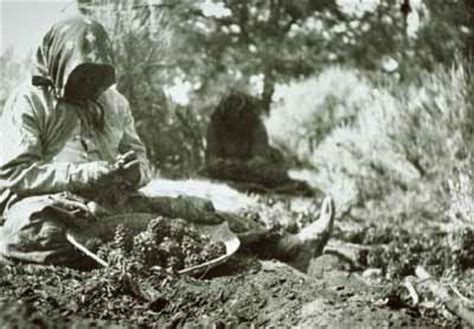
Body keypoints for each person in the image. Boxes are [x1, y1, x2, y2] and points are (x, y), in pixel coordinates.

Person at [0, 16, 334, 272]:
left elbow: (142, 164)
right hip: (52, 206)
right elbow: (13, 175)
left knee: (195, 209)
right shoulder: (30, 102)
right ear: (59, 63)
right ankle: (120, 254)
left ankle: (289, 246)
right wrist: (81, 175)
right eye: (81, 75)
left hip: (111, 204)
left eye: (97, 76)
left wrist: (133, 174)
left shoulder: (114, 103)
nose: (90, 86)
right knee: (36, 232)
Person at [204, 92, 314, 195]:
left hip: (251, 170)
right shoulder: (215, 125)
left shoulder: (255, 125)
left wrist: (244, 166)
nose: (234, 117)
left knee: (270, 173)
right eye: (231, 113)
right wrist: (226, 165)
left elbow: (260, 157)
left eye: (238, 114)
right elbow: (212, 158)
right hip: (227, 170)